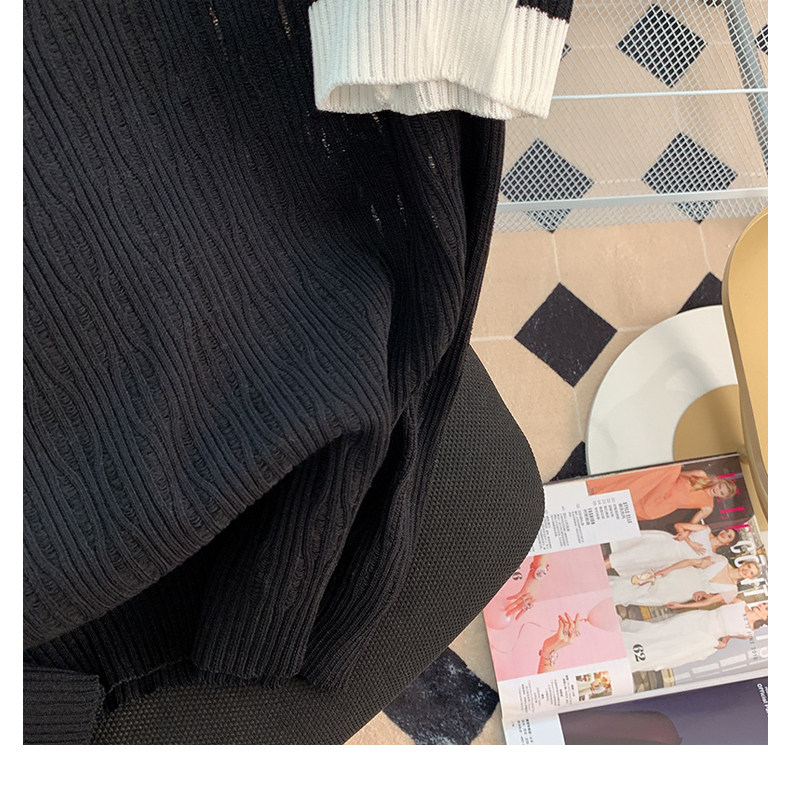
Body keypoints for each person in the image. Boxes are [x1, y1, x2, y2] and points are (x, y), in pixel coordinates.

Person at [619, 602, 767, 673]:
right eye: (766, 603)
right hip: (697, 619)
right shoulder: (739, 603)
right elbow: (710, 601)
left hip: (703, 638)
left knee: (669, 649)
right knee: (659, 631)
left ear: (766, 618)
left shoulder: (749, 633)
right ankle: (622, 641)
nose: (763, 604)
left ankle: (630, 660)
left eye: (766, 608)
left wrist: (723, 643)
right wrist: (681, 605)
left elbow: (728, 635)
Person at [586, 464, 738, 522]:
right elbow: (677, 475)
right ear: (719, 481)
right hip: (659, 486)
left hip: (659, 504)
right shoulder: (701, 475)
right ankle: (601, 488)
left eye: (721, 493)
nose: (717, 490)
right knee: (672, 467)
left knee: (671, 468)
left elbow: (692, 524)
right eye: (720, 486)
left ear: (721, 497)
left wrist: (687, 536)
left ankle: (601, 499)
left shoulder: (708, 507)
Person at [608, 555, 761, 608]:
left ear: (750, 578)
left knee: (644, 597)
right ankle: (608, 588)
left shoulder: (732, 590)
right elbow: (690, 562)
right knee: (640, 582)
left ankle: (610, 600)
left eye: (751, 573)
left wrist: (682, 605)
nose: (746, 571)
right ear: (744, 563)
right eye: (748, 567)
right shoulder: (722, 560)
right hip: (680, 575)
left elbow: (707, 602)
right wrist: (668, 569)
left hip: (682, 592)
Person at [603, 526, 738, 580]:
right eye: (726, 531)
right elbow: (679, 525)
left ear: (728, 543)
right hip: (665, 544)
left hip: (666, 560)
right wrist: (690, 541)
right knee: (626, 556)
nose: (724, 533)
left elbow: (692, 565)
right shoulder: (705, 530)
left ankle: (596, 572)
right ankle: (598, 567)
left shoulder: (711, 556)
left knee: (626, 566)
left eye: (729, 536)